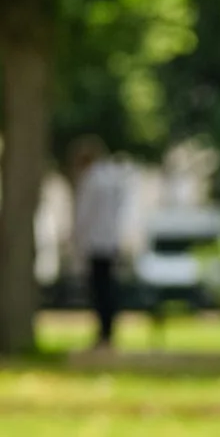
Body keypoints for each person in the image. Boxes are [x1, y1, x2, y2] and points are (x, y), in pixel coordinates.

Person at [70, 137, 130, 348]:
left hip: (95, 242)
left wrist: (77, 238)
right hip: (110, 240)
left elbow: (84, 215)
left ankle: (103, 334)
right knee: (108, 288)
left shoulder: (91, 181)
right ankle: (108, 332)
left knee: (99, 290)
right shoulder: (113, 179)